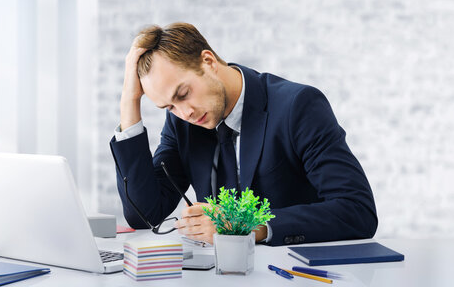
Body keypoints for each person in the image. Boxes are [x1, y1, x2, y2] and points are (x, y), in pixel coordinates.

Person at [110, 22, 378, 246]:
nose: (185, 112)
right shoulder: (182, 122)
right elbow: (144, 213)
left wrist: (247, 225)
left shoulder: (297, 106)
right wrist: (129, 101)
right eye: (169, 106)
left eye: (183, 94)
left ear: (208, 61)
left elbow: (357, 211)